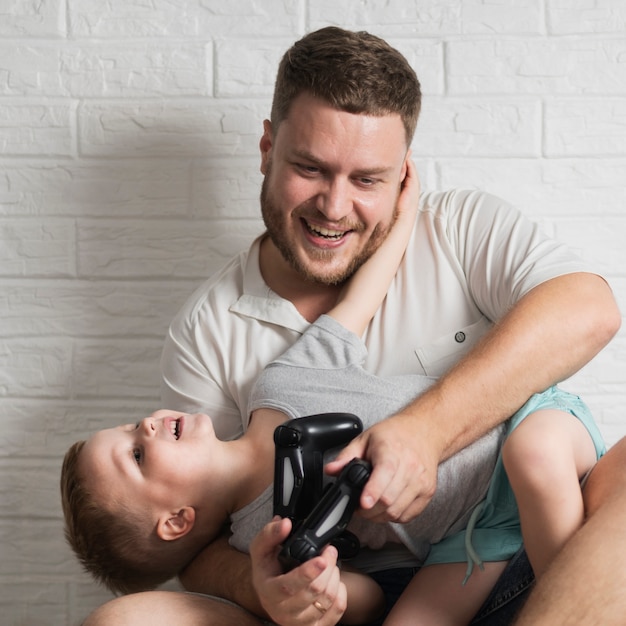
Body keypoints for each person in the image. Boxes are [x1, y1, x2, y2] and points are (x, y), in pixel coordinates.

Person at [78, 25, 622, 626]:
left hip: (546, 523)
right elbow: (201, 549)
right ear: (267, 150)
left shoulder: (454, 227)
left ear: (402, 174)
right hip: (444, 563)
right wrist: (282, 590)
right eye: (310, 168)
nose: (334, 208)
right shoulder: (211, 330)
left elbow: (589, 309)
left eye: (367, 180)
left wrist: (428, 431)